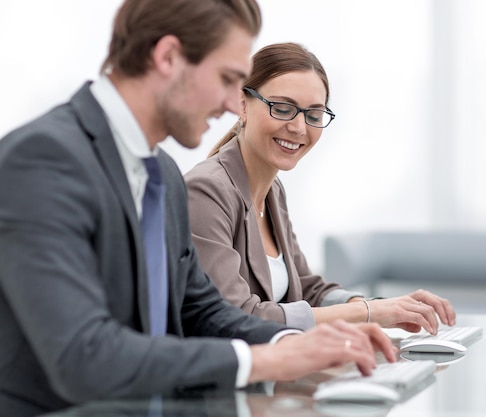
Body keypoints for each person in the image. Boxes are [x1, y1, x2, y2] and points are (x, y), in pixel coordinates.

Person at [0, 2, 396, 416]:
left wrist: (293, 343)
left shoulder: (163, 176)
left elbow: (203, 310)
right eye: (228, 79)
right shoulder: (43, 158)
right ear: (168, 57)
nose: (232, 104)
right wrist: (262, 360)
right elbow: (83, 354)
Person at [184, 42, 457, 333]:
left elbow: (307, 287)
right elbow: (237, 315)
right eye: (283, 108)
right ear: (242, 105)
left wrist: (387, 307)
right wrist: (368, 312)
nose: (300, 128)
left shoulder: (272, 190)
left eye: (313, 115)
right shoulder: (206, 192)